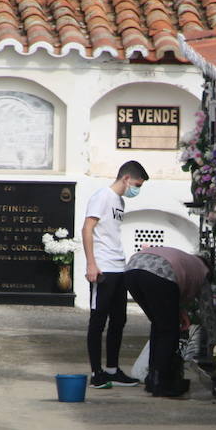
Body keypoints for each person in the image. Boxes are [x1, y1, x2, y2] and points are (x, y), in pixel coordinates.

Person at [82, 160, 149, 389]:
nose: (137, 189)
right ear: (126, 178)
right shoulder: (102, 196)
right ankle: (96, 373)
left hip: (119, 267)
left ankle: (112, 369)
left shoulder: (120, 201)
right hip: (103, 267)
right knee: (98, 320)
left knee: (119, 320)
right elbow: (87, 228)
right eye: (137, 185)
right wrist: (91, 264)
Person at [124, 246, 210, 398]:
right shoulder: (204, 271)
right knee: (169, 332)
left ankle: (152, 378)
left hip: (132, 270)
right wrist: (214, 339)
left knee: (158, 325)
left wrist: (180, 311)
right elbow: (207, 308)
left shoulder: (188, 261)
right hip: (160, 272)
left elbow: (176, 288)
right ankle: (162, 383)